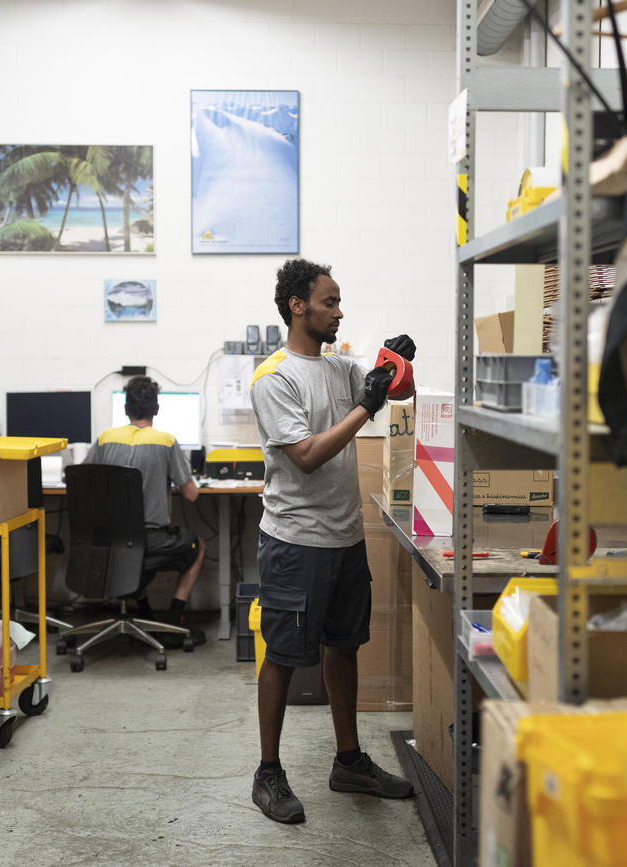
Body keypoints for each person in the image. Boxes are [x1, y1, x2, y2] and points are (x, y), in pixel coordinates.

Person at [247, 257, 417, 824]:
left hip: (344, 537)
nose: (339, 312)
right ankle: (268, 773)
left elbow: (391, 393)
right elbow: (306, 455)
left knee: (344, 646)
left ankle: (349, 762)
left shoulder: (339, 367)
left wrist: (396, 366)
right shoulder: (274, 377)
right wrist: (367, 402)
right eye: (330, 302)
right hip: (295, 541)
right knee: (284, 656)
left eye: (339, 302)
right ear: (298, 306)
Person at [84, 375, 207, 648]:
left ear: (125, 409)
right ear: (157, 409)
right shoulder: (166, 441)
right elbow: (191, 495)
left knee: (130, 555)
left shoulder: (105, 438)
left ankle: (146, 615)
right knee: (198, 546)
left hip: (108, 540)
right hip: (151, 540)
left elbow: (83, 481)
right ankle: (173, 619)